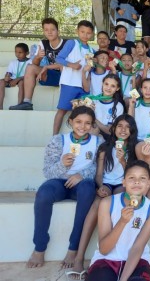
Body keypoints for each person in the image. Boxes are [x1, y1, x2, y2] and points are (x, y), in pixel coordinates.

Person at [26, 106, 101, 269]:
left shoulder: (98, 142)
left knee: (88, 189)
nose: (83, 126)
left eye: (88, 123)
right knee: (44, 193)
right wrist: (62, 164)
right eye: (78, 122)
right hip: (59, 182)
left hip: (82, 184)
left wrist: (82, 174)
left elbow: (98, 167)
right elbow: (48, 171)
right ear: (70, 122)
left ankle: (73, 247)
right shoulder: (58, 140)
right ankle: (40, 246)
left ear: (93, 125)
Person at [68, 115, 138, 278]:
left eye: (127, 127)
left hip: (123, 185)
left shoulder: (134, 148)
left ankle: (117, 255)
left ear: (132, 131)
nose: (123, 130)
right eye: (119, 125)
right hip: (106, 184)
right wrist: (100, 187)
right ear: (113, 129)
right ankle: (79, 257)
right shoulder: (104, 147)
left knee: (120, 202)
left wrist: (122, 161)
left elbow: (132, 175)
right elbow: (99, 174)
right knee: (95, 207)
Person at [85, 160, 150, 281]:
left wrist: (123, 279)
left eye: (142, 178)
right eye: (131, 178)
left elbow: (138, 247)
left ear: (148, 183)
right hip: (107, 260)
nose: (137, 181)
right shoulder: (107, 203)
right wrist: (122, 222)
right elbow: (104, 249)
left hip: (137, 260)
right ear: (123, 182)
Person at [10, 18, 67, 110]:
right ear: (43, 31)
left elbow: (68, 65)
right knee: (30, 67)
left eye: (52, 29)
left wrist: (47, 67)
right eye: (46, 30)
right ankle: (27, 102)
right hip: (51, 75)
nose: (49, 32)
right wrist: (38, 57)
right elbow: (35, 64)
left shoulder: (67, 43)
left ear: (58, 31)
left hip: (65, 76)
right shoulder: (43, 43)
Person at [53, 20, 95, 135]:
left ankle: (79, 137)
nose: (85, 35)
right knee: (62, 109)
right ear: (77, 31)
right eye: (82, 31)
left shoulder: (92, 50)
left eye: (88, 33)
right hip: (70, 83)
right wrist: (72, 65)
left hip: (83, 86)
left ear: (92, 35)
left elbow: (90, 69)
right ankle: (54, 136)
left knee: (83, 113)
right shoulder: (72, 43)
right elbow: (59, 58)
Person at [91, 74, 125, 139]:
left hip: (107, 138)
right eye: (106, 84)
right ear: (102, 84)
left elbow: (109, 131)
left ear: (117, 88)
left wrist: (93, 117)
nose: (108, 88)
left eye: (113, 86)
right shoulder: (93, 100)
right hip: (91, 133)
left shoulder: (118, 106)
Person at [0, 43, 31, 110]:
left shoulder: (30, 62)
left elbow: (29, 75)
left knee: (21, 83)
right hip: (12, 79)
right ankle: (0, 106)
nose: (18, 54)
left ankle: (20, 104)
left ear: (27, 53)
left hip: (23, 79)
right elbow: (9, 73)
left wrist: (18, 79)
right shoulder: (13, 62)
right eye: (16, 52)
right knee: (1, 82)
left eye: (20, 52)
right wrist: (7, 77)